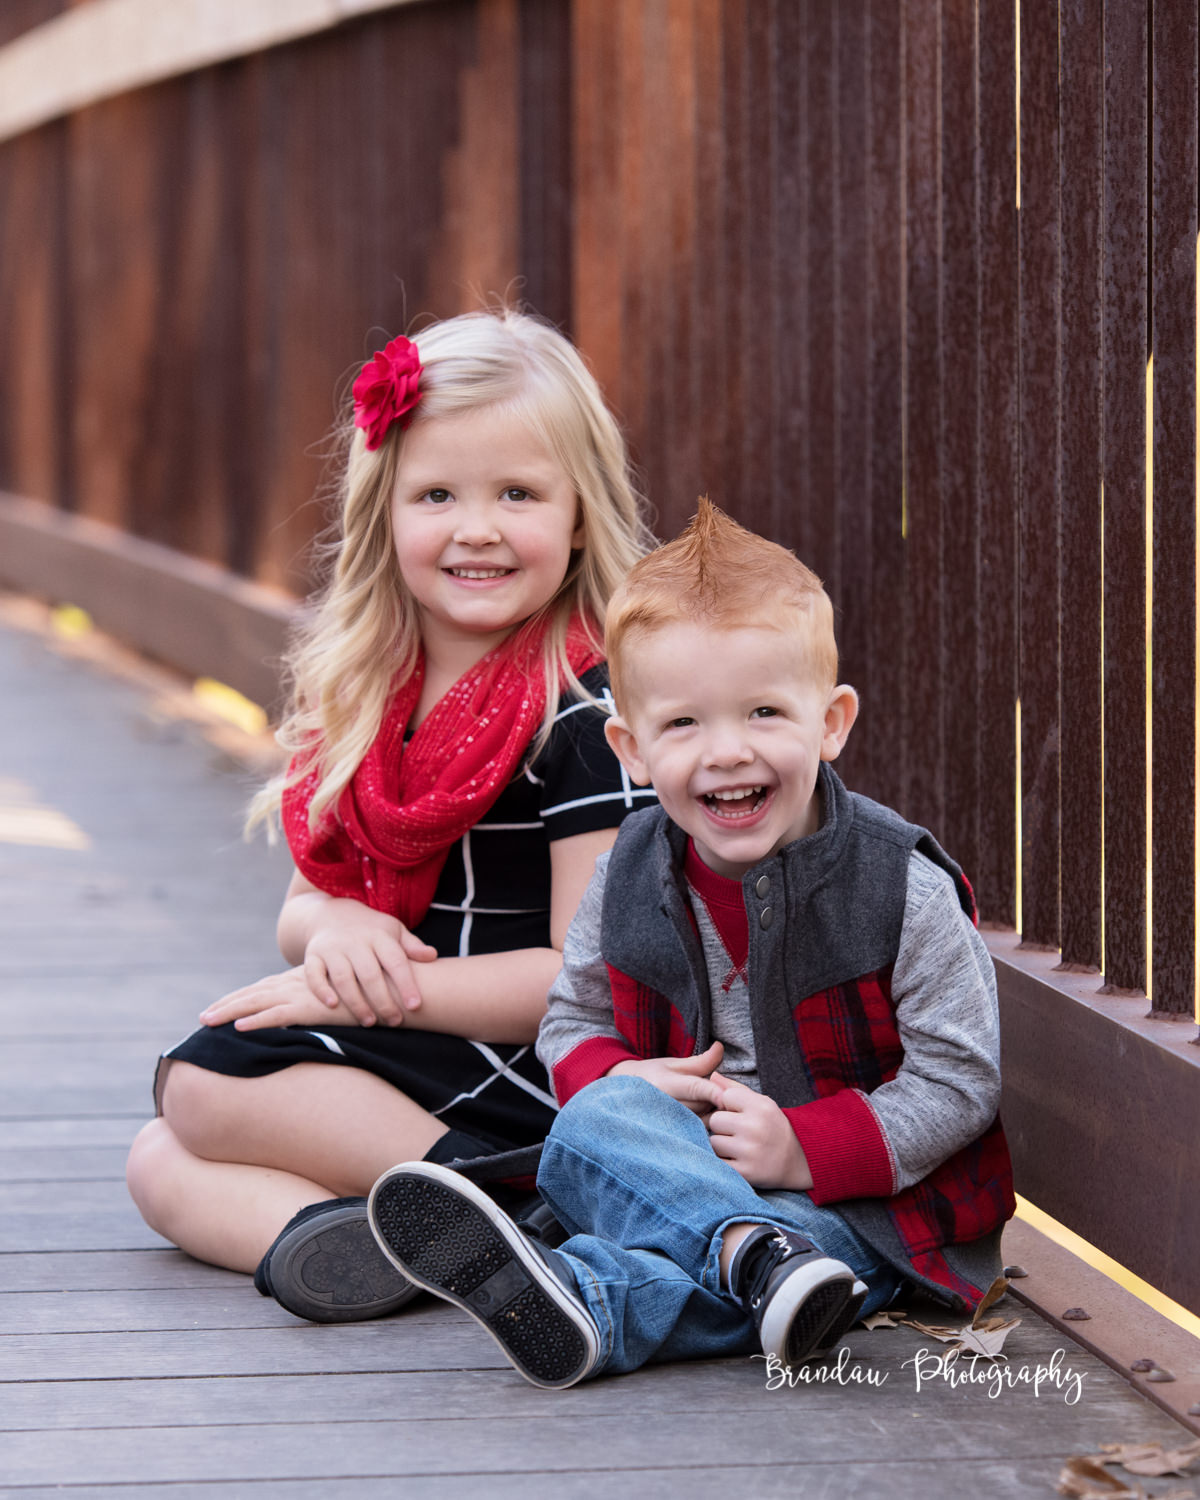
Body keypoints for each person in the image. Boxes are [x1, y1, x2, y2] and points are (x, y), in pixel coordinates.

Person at [366, 498, 1015, 1388]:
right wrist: (617, 1077)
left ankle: (587, 1288)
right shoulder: (630, 872)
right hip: (682, 1165)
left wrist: (803, 1148)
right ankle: (736, 1261)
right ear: (631, 747)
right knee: (599, 1118)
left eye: (762, 714)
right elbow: (571, 1022)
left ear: (830, 722)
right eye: (683, 724)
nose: (725, 752)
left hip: (865, 1203)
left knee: (810, 1260)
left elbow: (959, 1078)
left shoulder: (899, 886)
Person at [125, 309, 656, 1322]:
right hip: (417, 1044)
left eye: (518, 494)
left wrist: (371, 996)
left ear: (581, 511)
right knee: (158, 1162)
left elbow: (583, 979)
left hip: (533, 1070)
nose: (478, 527)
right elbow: (302, 906)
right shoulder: (369, 687)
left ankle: (523, 1205)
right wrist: (341, 928)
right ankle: (411, 1249)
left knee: (199, 1088)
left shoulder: (589, 711)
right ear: (387, 512)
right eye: (438, 495)